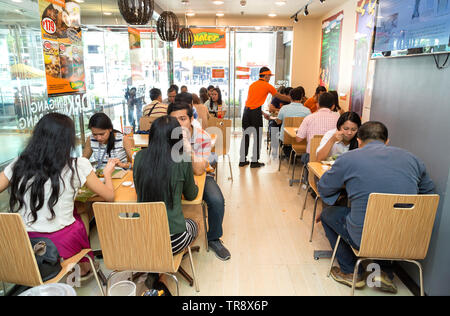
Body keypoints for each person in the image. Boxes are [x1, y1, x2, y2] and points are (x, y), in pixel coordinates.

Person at [317, 121, 435, 293]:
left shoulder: (349, 158)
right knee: (389, 220)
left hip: (365, 237)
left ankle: (351, 272)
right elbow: (429, 193)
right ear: (387, 141)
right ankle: (384, 273)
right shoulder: (412, 158)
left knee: (329, 215)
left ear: (358, 140)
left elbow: (325, 187)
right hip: (408, 237)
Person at [0, 113, 117, 279]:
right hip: (58, 242)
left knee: (78, 213)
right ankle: (81, 270)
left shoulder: (20, 162)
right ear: (67, 140)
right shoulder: (77, 165)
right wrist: (107, 174)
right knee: (76, 223)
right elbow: (109, 196)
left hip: (22, 243)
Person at [134, 115, 199, 294]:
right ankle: (162, 273)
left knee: (159, 230)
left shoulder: (139, 157)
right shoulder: (183, 159)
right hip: (172, 240)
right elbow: (192, 194)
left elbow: (138, 189)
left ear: (151, 135)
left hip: (139, 238)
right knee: (195, 223)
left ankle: (154, 270)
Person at [168, 102, 231, 261]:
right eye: (174, 120)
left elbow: (198, 170)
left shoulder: (202, 136)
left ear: (190, 119)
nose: (179, 124)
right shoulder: (165, 135)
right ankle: (168, 238)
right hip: (172, 177)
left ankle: (214, 239)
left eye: (182, 119)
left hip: (200, 176)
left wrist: (186, 145)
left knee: (216, 200)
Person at [239, 67, 291, 168]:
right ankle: (254, 162)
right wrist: (291, 99)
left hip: (246, 112)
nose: (270, 78)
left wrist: (262, 113)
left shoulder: (252, 85)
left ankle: (242, 160)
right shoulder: (267, 86)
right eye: (269, 76)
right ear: (266, 75)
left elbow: (253, 104)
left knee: (246, 136)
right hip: (255, 113)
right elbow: (279, 96)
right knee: (257, 136)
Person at [296, 92, 340, 183]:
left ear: (317, 105)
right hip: (332, 158)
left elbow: (298, 139)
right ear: (333, 106)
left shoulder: (309, 118)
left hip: (311, 156)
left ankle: (308, 181)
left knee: (305, 157)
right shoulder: (338, 119)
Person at [275, 86, 311, 158]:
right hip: (301, 140)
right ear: (302, 97)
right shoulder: (307, 111)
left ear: (290, 97)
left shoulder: (284, 108)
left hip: (285, 139)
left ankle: (289, 154)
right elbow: (310, 125)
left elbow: (278, 122)